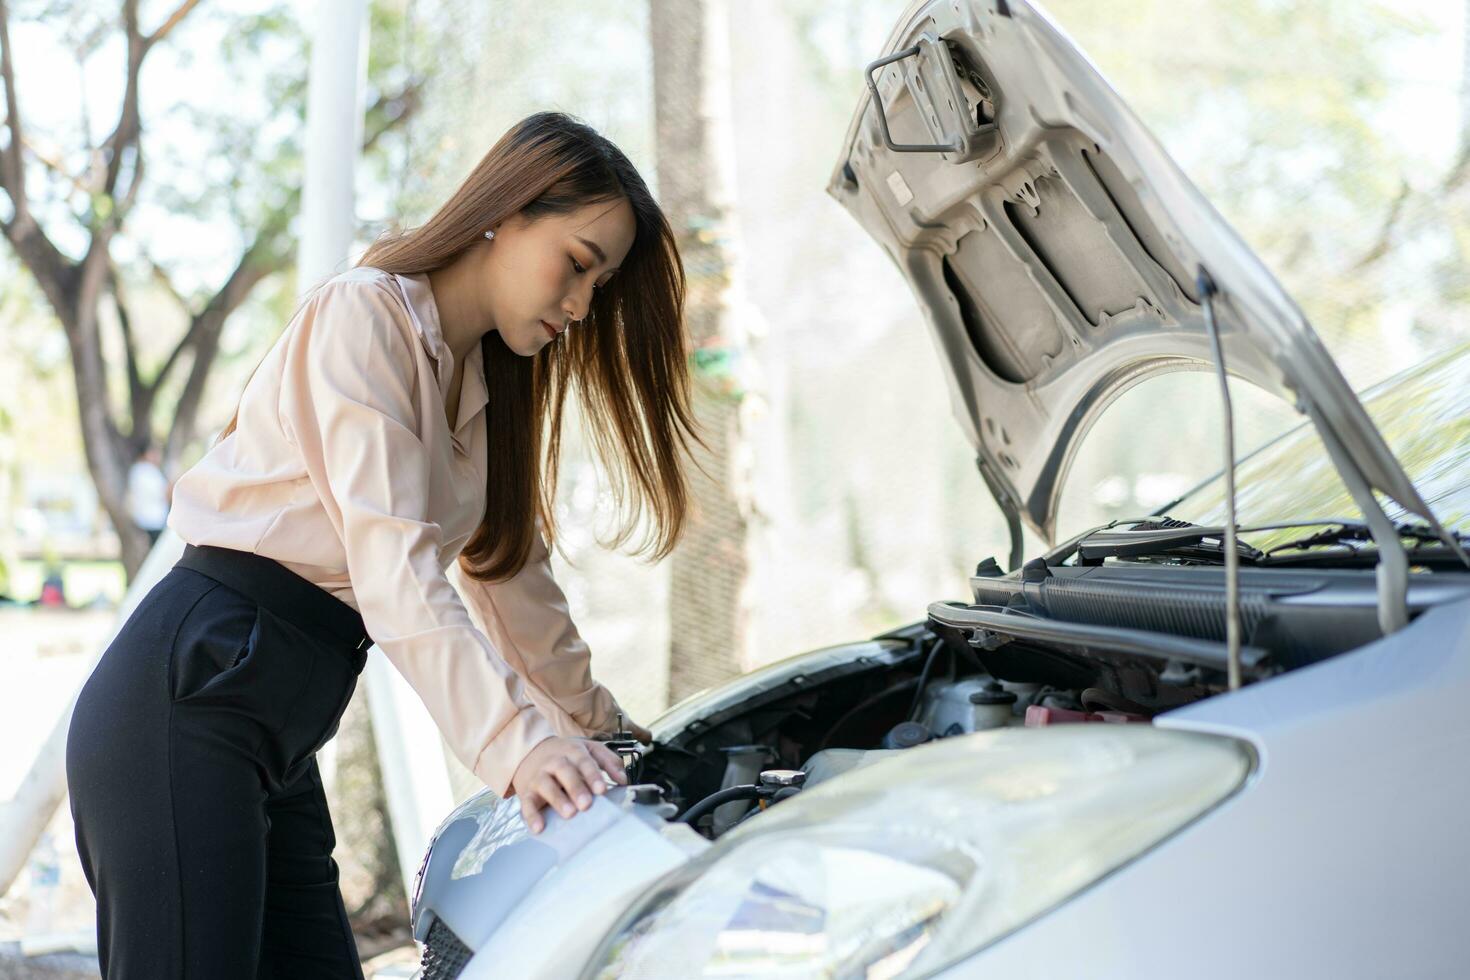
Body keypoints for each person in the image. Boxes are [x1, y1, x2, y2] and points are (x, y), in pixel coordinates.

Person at [65, 112, 699, 979]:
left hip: (273, 730)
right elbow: (394, 567)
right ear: (503, 214)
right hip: (188, 697)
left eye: (602, 282)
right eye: (578, 263)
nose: (583, 304)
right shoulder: (363, 316)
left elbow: (513, 580)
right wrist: (519, 746)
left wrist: (611, 736)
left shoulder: (489, 383)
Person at [125, 446, 171, 546]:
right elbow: (164, 493)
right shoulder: (146, 471)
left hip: (148, 520)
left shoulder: (140, 470)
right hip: (151, 520)